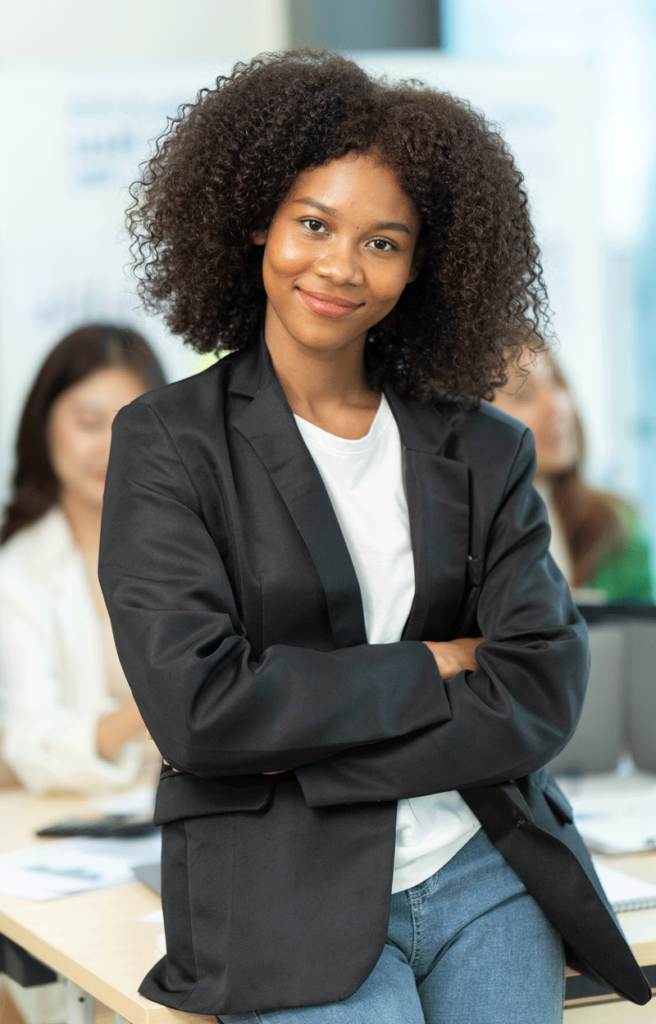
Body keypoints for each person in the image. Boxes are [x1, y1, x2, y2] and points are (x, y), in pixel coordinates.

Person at [98, 51, 650, 1022]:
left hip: (485, 870)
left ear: (423, 264)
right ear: (258, 220)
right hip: (283, 895)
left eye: (383, 241)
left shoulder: (484, 446)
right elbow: (201, 714)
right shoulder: (169, 443)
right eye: (314, 223)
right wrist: (431, 662)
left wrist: (298, 751)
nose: (340, 266)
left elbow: (540, 687)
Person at [0, 323, 166, 794]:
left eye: (129, 426)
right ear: (44, 423)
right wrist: (159, 704)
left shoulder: (199, 542)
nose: (109, 447)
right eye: (89, 423)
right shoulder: (17, 573)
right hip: (81, 816)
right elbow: (31, 746)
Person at [492, 346, 654, 602]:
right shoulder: (457, 536)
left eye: (556, 382)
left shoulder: (616, 522)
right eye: (524, 395)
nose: (557, 405)